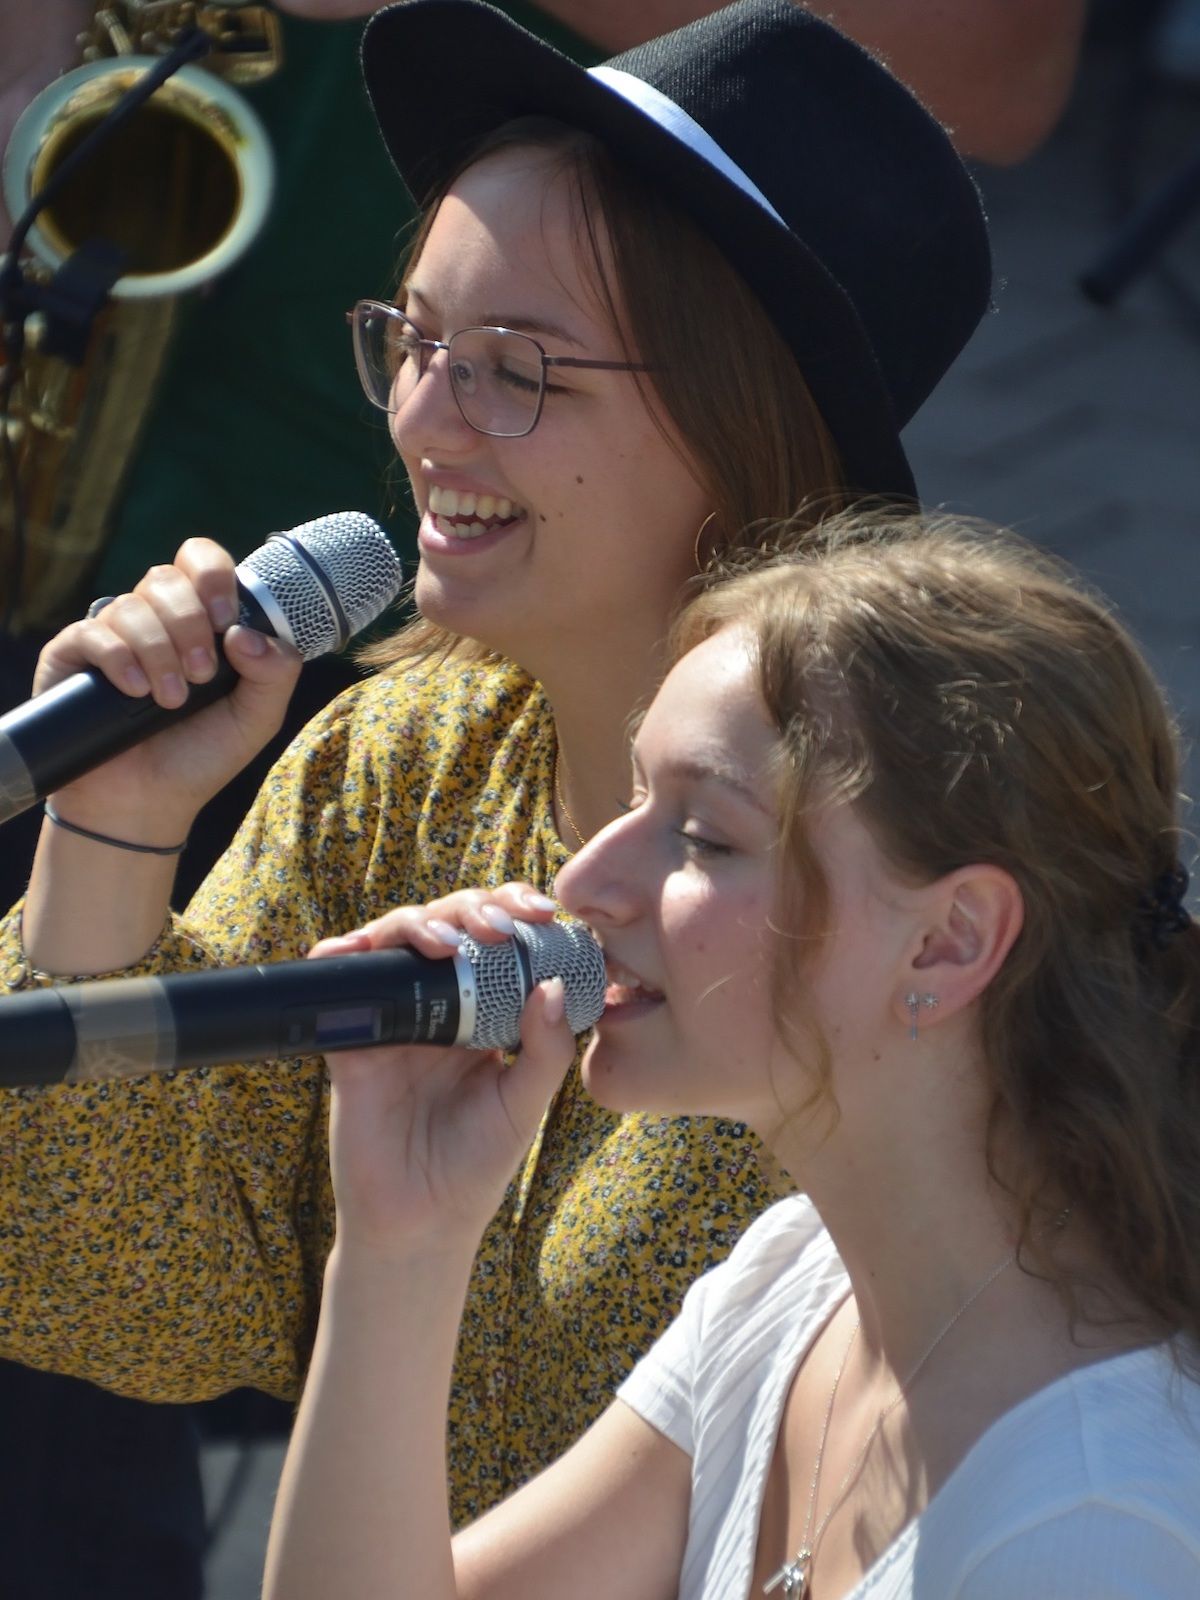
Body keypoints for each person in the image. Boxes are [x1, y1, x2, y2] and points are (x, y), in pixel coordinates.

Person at [0, 0, 997, 1531]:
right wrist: (113, 826)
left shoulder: (874, 899)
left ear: (742, 424)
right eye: (413, 341)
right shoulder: (403, 756)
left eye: (514, 371)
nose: (422, 419)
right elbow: (125, 1294)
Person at [263, 510, 1200, 1599]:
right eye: (633, 797)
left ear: (947, 941)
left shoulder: (1090, 1533)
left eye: (705, 836)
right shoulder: (791, 1289)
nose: (583, 882)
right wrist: (402, 1244)